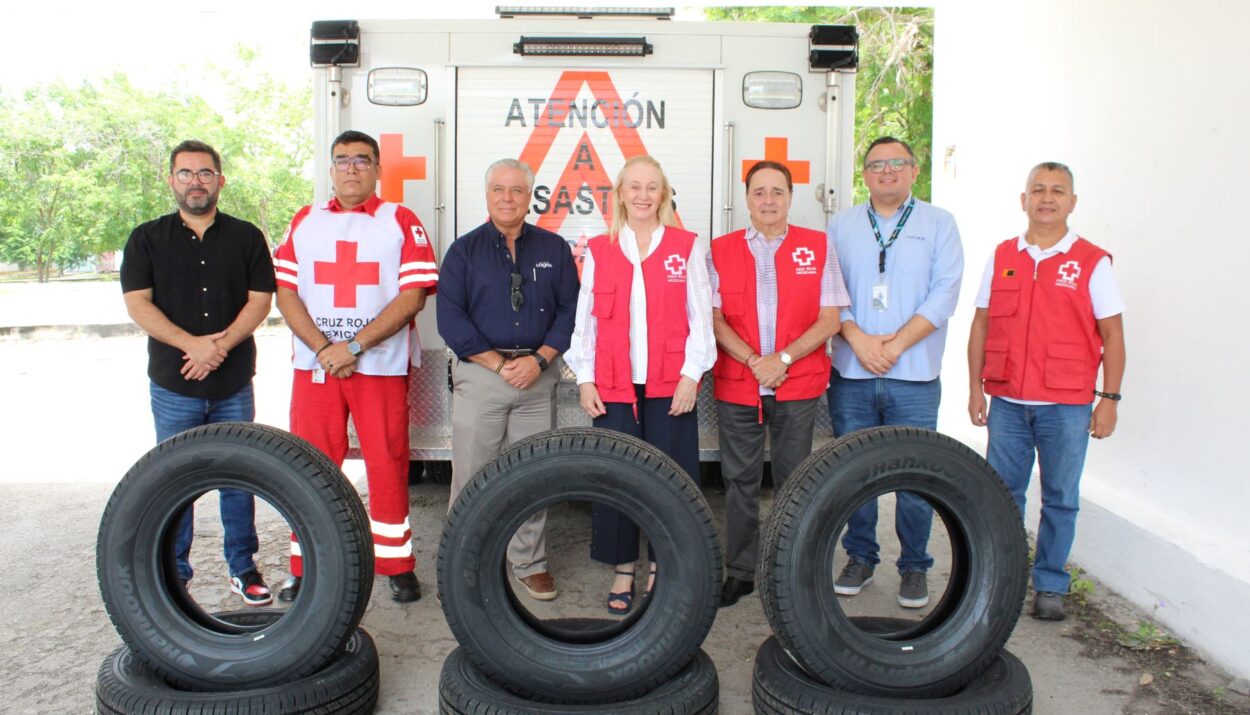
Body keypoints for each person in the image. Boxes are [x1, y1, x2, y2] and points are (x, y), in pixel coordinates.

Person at [273, 130, 438, 603]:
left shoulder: (400, 220)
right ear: (330, 168)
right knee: (309, 465)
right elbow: (286, 293)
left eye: (361, 160)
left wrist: (355, 346)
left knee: (387, 462)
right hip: (316, 366)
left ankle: (396, 564)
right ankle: (308, 564)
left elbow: (412, 297)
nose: (351, 168)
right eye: (342, 160)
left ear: (377, 168)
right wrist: (327, 347)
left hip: (380, 366)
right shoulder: (305, 221)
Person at [121, 139, 276, 606]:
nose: (196, 181)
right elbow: (137, 303)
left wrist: (220, 347)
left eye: (205, 173)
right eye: (186, 173)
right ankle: (176, 574)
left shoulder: (247, 236)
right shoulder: (146, 238)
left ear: (220, 181)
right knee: (175, 483)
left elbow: (260, 301)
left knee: (238, 477)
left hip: (232, 383)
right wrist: (192, 345)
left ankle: (243, 567)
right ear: (171, 180)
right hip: (174, 385)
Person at [968, 161, 1125, 621]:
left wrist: (1109, 400)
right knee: (1002, 494)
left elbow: (1113, 336)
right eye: (1038, 189)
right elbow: (981, 323)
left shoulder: (1092, 262)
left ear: (1072, 202)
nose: (1047, 197)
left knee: (1060, 497)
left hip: (1067, 405)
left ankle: (1051, 584)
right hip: (1008, 404)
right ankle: (1004, 578)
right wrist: (976, 389)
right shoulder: (1002, 256)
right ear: (1024, 200)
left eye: (1058, 190)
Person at [566, 155, 716, 614]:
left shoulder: (686, 246)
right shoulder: (601, 249)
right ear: (621, 193)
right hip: (612, 384)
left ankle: (665, 565)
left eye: (653, 186)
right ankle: (623, 567)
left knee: (673, 479)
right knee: (616, 478)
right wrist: (585, 378)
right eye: (635, 186)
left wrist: (692, 375)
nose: (644, 195)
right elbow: (585, 322)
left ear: (664, 192)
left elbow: (701, 318)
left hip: (671, 384)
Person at [826, 136, 964, 609]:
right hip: (853, 371)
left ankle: (914, 568)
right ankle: (860, 557)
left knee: (914, 476)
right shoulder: (840, 225)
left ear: (914, 170)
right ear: (863, 174)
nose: (886, 171)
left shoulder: (940, 224)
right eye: (876, 165)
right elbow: (827, 295)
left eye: (896, 163)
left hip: (915, 376)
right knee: (856, 476)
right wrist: (859, 340)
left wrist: (897, 345)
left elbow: (944, 295)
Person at [709, 160, 850, 607]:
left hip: (797, 383)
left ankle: (791, 568)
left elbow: (831, 319)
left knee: (795, 481)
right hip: (740, 384)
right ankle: (742, 570)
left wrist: (782, 359)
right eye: (759, 192)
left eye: (777, 192)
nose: (768, 201)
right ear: (746, 198)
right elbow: (713, 320)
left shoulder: (818, 246)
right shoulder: (720, 250)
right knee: (740, 481)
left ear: (791, 197)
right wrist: (755, 361)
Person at [437, 158, 579, 601]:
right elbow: (450, 319)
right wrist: (499, 365)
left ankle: (529, 563)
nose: (507, 198)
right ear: (487, 195)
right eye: (499, 189)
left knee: (531, 474)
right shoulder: (463, 251)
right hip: (483, 375)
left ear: (529, 197)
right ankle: (464, 561)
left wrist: (539, 360)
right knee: (472, 475)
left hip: (538, 376)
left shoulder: (554, 249)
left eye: (517, 190)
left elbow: (570, 313)